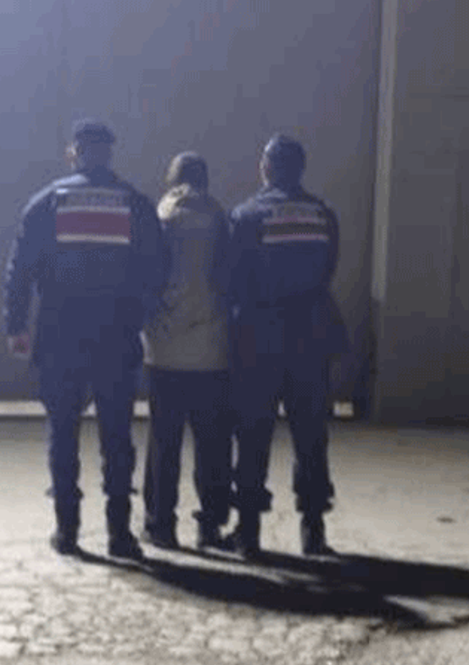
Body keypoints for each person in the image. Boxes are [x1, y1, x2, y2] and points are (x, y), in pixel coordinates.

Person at [4, 118, 166, 560]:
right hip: (116, 336)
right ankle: (120, 534)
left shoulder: (46, 202)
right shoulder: (135, 204)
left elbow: (20, 269)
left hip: (60, 334)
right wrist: (139, 315)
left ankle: (67, 530)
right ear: (108, 154)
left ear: (73, 153)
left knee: (63, 432)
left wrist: (16, 325)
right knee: (117, 436)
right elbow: (157, 268)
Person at [225, 134, 350, 558]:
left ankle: (249, 533)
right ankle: (313, 531)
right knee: (311, 436)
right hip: (310, 339)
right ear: (301, 168)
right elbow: (328, 269)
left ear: (265, 167)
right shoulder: (323, 215)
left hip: (259, 340)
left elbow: (234, 279)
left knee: (253, 435)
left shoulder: (247, 216)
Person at [140, 152, 239, 552]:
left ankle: (160, 525)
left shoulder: (157, 218)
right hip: (212, 350)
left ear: (173, 180)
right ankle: (210, 527)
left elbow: (144, 279)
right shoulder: (221, 220)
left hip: (163, 351)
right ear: (205, 181)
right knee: (212, 444)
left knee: (164, 442)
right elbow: (232, 280)